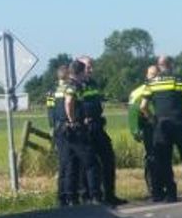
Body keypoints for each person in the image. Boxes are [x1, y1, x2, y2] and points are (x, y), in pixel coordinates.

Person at [139, 55, 182, 201]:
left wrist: (152, 120)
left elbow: (143, 106)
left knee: (164, 159)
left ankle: (171, 193)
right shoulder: (177, 80)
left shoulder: (151, 83)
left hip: (161, 125)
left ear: (159, 65)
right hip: (179, 123)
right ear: (171, 65)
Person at [74, 55, 126, 206]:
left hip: (97, 126)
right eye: (88, 67)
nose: (91, 69)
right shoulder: (76, 85)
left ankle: (109, 194)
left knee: (108, 159)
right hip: (85, 128)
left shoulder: (93, 83)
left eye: (91, 66)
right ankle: (89, 197)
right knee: (87, 164)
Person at [62, 60, 102, 204]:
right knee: (91, 163)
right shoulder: (75, 85)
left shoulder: (67, 84)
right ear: (80, 72)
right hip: (76, 129)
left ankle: (70, 198)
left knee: (72, 164)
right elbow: (68, 102)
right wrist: (73, 120)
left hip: (67, 130)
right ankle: (95, 196)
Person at [128, 65, 159, 198]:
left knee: (163, 157)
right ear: (147, 76)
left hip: (162, 127)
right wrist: (136, 131)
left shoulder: (161, 89)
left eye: (156, 75)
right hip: (149, 128)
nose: (154, 78)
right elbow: (132, 114)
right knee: (151, 158)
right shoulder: (138, 92)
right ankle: (153, 188)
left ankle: (163, 185)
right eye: (152, 75)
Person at [47, 65, 72, 206]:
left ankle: (61, 195)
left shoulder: (51, 91)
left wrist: (52, 126)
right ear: (67, 75)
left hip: (57, 128)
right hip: (66, 127)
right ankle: (67, 195)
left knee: (63, 162)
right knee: (68, 162)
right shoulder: (69, 89)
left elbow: (50, 111)